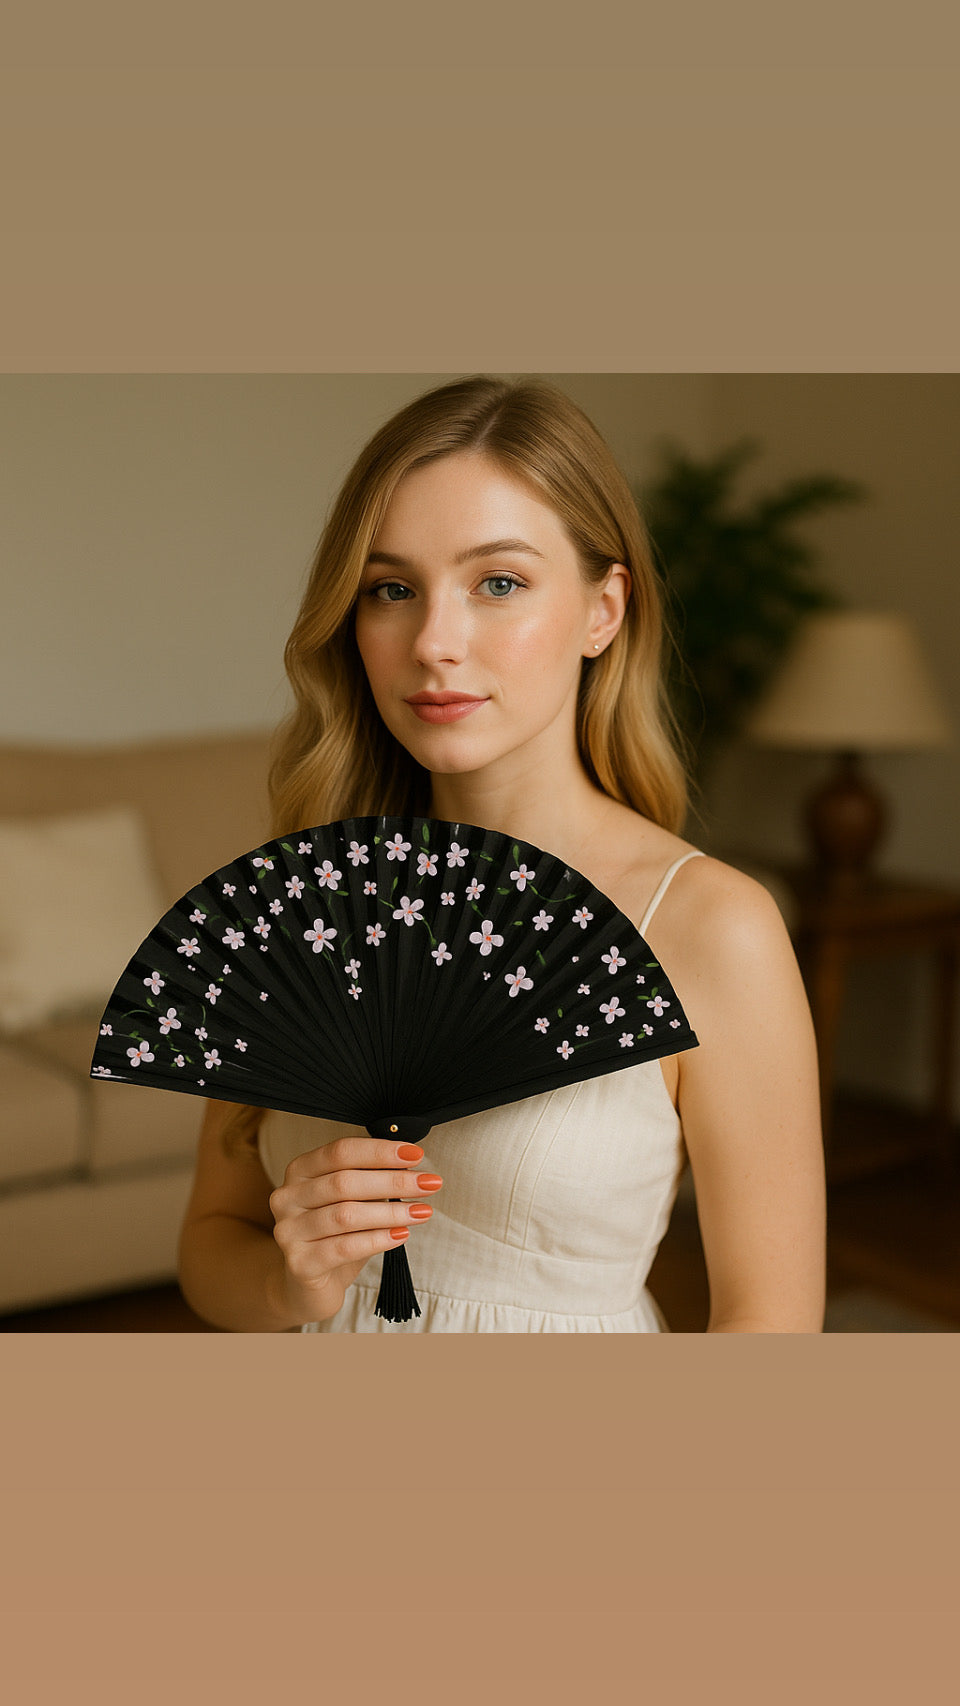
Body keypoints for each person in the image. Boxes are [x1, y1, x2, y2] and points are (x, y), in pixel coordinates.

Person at [177, 374, 826, 1333]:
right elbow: (210, 1241)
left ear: (604, 610)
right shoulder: (298, 900)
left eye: (499, 583)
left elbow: (771, 1325)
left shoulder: (710, 927)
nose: (434, 642)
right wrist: (289, 1281)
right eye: (392, 589)